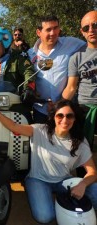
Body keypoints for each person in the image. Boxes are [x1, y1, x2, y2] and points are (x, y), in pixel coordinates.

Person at [0, 97, 97, 224]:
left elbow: (92, 172)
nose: (64, 120)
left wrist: (82, 185)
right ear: (54, 117)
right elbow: (14, 126)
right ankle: (62, 204)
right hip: (38, 180)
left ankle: (70, 205)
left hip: (63, 181)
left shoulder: (80, 141)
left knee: (95, 191)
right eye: (60, 115)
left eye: (69, 116)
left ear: (75, 118)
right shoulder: (40, 130)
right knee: (45, 216)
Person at [28, 15, 86, 123]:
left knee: (65, 139)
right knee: (41, 139)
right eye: (48, 29)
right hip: (41, 110)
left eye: (55, 28)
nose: (53, 33)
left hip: (65, 109)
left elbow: (91, 47)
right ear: (38, 32)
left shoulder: (71, 43)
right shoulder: (30, 54)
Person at [0, 26, 36, 121]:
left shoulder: (18, 58)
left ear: (4, 43)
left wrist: (29, 88)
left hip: (15, 103)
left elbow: (28, 71)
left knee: (25, 124)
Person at [63, 10, 97, 149]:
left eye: (95, 25)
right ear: (82, 32)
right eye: (86, 28)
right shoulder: (76, 58)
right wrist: (58, 106)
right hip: (85, 110)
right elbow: (71, 88)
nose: (91, 30)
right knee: (81, 150)